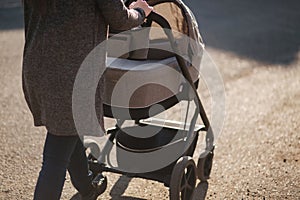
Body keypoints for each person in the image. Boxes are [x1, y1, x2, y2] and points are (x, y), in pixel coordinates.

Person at [22, 0, 153, 199]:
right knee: (55, 156)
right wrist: (140, 12)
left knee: (66, 131)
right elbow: (119, 18)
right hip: (72, 75)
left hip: (38, 65)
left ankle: (87, 185)